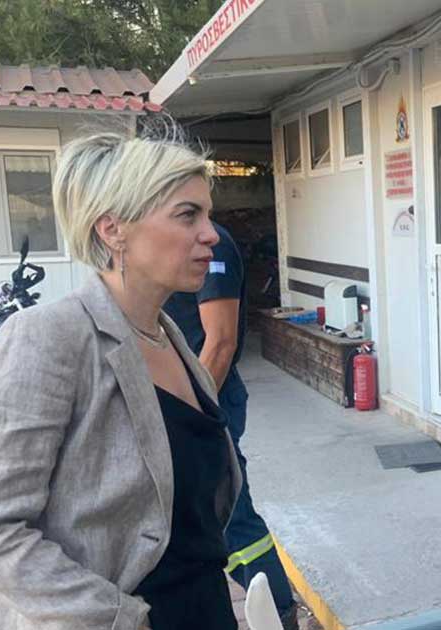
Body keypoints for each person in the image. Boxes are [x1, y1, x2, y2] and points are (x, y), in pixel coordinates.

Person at [0, 128, 242, 630]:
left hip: (202, 606)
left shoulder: (169, 336)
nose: (211, 234)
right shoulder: (49, 337)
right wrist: (121, 619)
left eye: (207, 214)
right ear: (113, 230)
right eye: (187, 215)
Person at [162, 221, 300, 630]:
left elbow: (220, 343)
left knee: (232, 517)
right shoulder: (166, 242)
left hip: (207, 396)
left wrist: (189, 415)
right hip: (180, 394)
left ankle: (280, 615)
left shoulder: (213, 245)